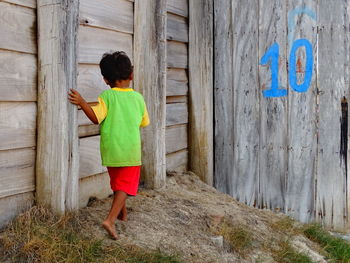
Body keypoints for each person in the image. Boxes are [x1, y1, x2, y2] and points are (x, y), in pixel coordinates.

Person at [68, 51, 150, 240]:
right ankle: (110, 220)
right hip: (130, 151)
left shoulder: (107, 96)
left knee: (118, 183)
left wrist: (82, 102)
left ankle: (122, 213)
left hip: (111, 149)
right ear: (131, 75)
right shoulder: (138, 98)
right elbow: (144, 122)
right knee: (126, 186)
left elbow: (96, 117)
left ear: (106, 80)